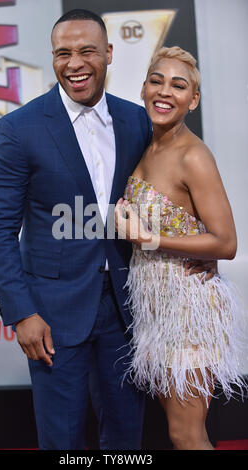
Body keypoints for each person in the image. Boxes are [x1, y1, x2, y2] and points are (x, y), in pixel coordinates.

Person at [0, 9, 153, 450]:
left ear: (109, 54)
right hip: (51, 315)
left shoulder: (138, 121)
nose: (74, 63)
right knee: (62, 441)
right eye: (63, 53)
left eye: (87, 51)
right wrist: (21, 313)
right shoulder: (18, 130)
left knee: (127, 437)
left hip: (126, 310)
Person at [115, 46, 247, 450]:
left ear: (194, 100)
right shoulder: (147, 144)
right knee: (184, 432)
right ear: (142, 88)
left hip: (191, 311)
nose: (165, 91)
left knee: (184, 433)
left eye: (179, 85)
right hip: (157, 310)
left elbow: (226, 243)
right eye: (157, 80)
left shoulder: (194, 156)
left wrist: (148, 238)